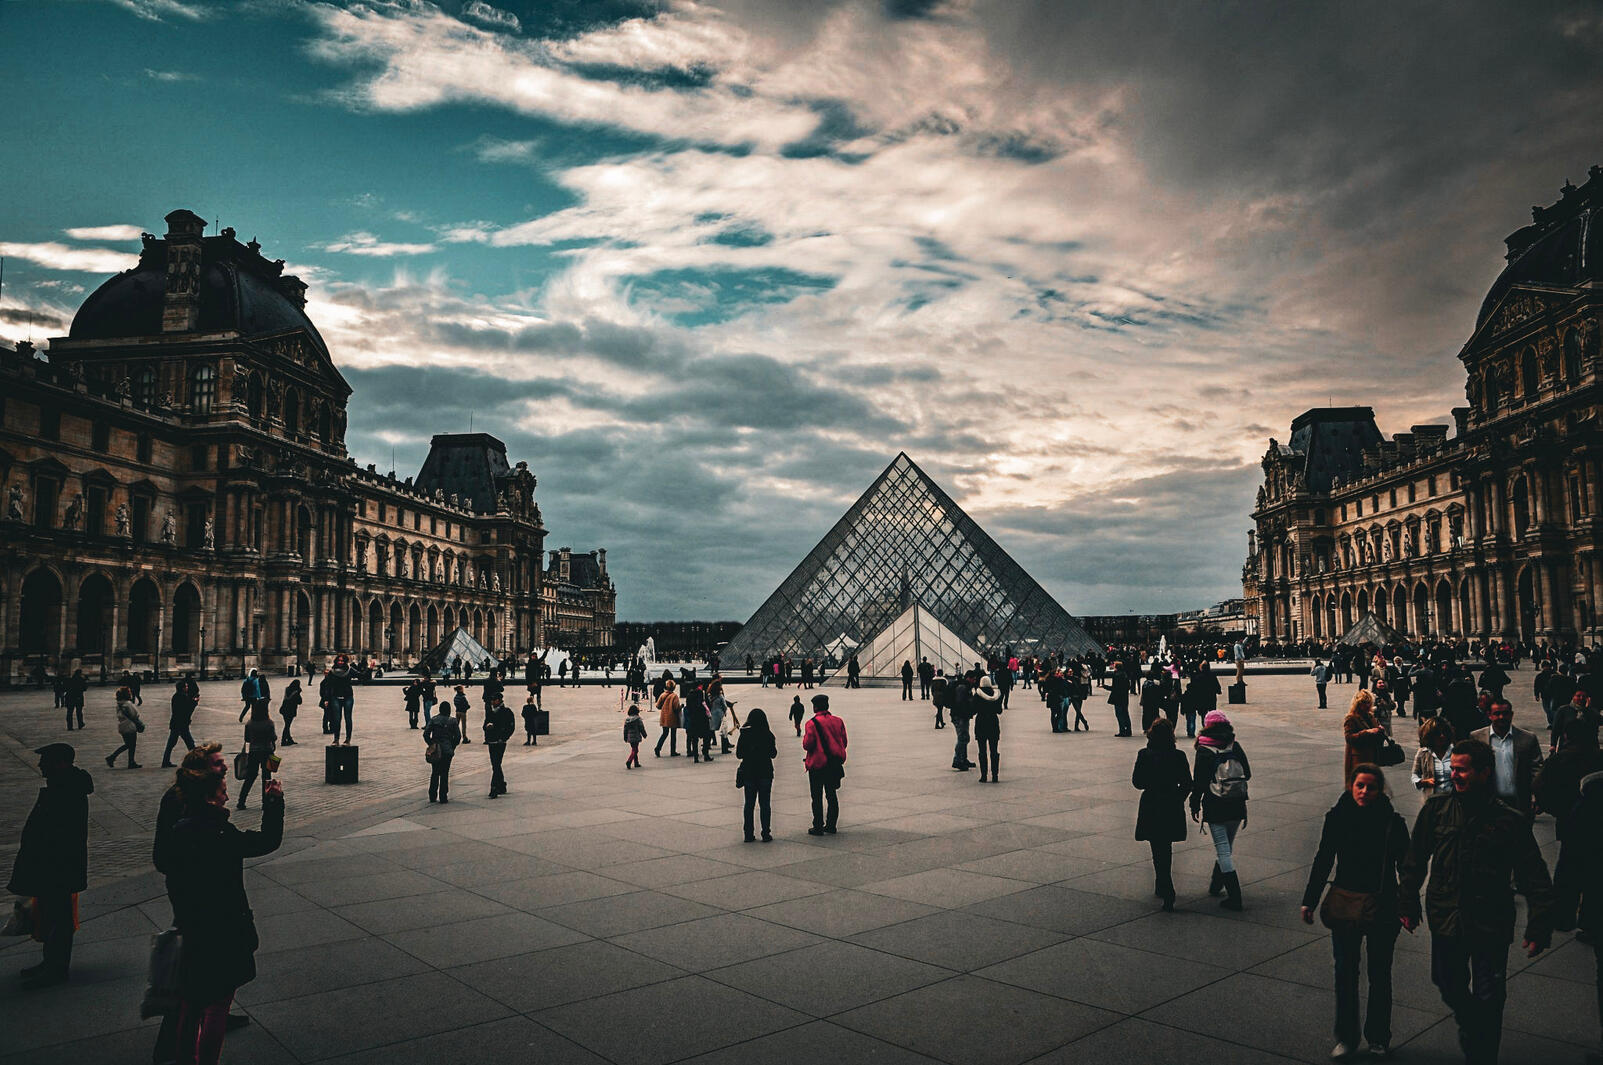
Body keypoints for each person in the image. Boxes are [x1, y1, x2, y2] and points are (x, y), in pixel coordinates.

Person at [1398, 738, 1554, 1065]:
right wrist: (1407, 902)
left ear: (1484, 772)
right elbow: (1414, 860)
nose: (1454, 775)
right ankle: (1472, 1024)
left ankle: (1483, 1056)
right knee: (1446, 981)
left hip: (1489, 920)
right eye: (1453, 769)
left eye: (1462, 770)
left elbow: (1533, 874)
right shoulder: (1437, 810)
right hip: (1447, 915)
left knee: (1490, 994)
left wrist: (1540, 922)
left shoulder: (1509, 819)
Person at [165, 749, 283, 1065]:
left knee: (191, 1003)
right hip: (224, 930)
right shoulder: (219, 833)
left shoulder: (181, 830)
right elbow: (268, 841)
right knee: (217, 1005)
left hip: (193, 927)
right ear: (209, 797)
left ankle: (183, 1058)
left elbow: (172, 879)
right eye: (222, 791)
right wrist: (274, 802)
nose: (227, 796)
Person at [1300, 764, 1411, 1060]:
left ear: (1379, 790)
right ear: (1351, 786)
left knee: (1379, 973)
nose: (1364, 791)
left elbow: (1406, 867)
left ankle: (1378, 1037)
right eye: (1359, 785)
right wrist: (1310, 899)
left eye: (1370, 787)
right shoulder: (1337, 818)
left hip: (1383, 905)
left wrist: (1408, 905)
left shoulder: (1392, 823)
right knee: (1345, 973)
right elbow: (1324, 858)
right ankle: (1347, 1037)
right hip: (1345, 904)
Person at [7, 742, 92, 985]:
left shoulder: (66, 790)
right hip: (54, 865)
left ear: (60, 763)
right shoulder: (62, 786)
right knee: (52, 915)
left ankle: (56, 967)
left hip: (58, 866)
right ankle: (50, 962)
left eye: (45, 761)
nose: (40, 765)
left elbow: (58, 833)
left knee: (59, 918)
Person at [1191, 710, 1250, 911]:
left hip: (1216, 804)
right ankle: (1216, 884)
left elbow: (1199, 782)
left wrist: (1194, 804)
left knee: (1223, 849)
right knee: (1227, 846)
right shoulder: (1234, 745)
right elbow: (1247, 773)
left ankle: (1235, 896)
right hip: (1237, 803)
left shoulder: (1204, 749)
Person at [1133, 719, 1191, 912]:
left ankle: (1165, 886)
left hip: (1151, 803)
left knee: (1157, 846)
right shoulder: (1178, 756)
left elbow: (1137, 782)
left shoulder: (1144, 754)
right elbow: (1187, 783)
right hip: (1171, 803)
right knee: (1165, 845)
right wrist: (1178, 798)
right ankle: (1162, 882)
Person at [1472, 698, 1544, 817]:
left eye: (1505, 713)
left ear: (1511, 715)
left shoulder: (1528, 738)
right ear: (1489, 715)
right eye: (1497, 714)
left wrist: (1537, 795)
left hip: (1519, 803)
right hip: (1488, 802)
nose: (1501, 717)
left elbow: (1536, 769)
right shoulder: (1477, 737)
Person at [802, 694, 847, 836]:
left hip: (817, 764)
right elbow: (844, 742)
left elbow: (807, 744)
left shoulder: (811, 723)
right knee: (831, 795)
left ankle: (818, 826)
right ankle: (831, 825)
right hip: (833, 764)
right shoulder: (838, 721)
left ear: (815, 707)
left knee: (816, 797)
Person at [737, 708, 777, 842]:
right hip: (765, 772)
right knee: (765, 804)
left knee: (749, 804)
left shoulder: (745, 734)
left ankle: (748, 834)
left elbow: (739, 754)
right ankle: (766, 833)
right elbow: (773, 754)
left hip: (749, 772)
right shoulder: (768, 734)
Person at [236, 701, 278, 810]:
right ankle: (266, 802)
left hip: (253, 752)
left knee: (250, 776)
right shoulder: (269, 723)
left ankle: (241, 800)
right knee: (266, 777)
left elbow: (247, 739)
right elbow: (273, 737)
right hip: (267, 751)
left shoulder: (249, 723)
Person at [1342, 690, 1387, 785]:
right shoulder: (1351, 718)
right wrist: (1366, 732)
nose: (1367, 705)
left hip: (1373, 755)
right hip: (1359, 757)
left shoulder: (1370, 716)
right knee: (1359, 782)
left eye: (1369, 702)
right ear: (1358, 704)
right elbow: (1349, 738)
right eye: (1364, 703)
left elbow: (1377, 735)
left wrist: (1380, 731)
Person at [423, 700, 461, 802]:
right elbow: (458, 736)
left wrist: (431, 744)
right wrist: (452, 746)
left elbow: (426, 734)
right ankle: (443, 796)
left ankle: (432, 795)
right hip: (447, 750)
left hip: (436, 750)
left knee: (435, 772)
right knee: (445, 773)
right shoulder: (453, 721)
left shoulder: (434, 719)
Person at [1411, 715, 1455, 795]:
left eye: (1444, 732)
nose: (1442, 736)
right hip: (1432, 798)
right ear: (1430, 736)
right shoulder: (1423, 753)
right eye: (1438, 733)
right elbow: (1415, 775)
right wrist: (1423, 782)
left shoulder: (1455, 751)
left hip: (1453, 798)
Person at [971, 677, 1004, 782]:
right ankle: (995, 775)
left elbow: (973, 710)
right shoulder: (996, 694)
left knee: (982, 751)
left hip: (981, 723)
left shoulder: (977, 695)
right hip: (993, 723)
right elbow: (999, 711)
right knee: (994, 750)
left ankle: (983, 775)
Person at [107, 685, 145, 769]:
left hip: (122, 725)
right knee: (132, 745)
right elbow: (135, 714)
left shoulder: (119, 705)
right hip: (130, 725)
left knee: (128, 744)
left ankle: (114, 757)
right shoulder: (128, 704)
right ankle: (129, 761)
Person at [163, 679, 199, 768]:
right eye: (186, 686)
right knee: (190, 743)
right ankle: (195, 761)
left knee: (171, 744)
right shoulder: (182, 697)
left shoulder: (176, 696)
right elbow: (187, 710)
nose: (187, 688)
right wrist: (194, 702)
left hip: (176, 723)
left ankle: (165, 761)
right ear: (183, 688)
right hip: (181, 724)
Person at [321, 656, 356, 745]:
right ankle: (336, 739)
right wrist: (326, 699)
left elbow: (362, 676)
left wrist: (370, 669)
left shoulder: (350, 670)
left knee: (348, 718)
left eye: (342, 661)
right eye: (339, 660)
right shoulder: (332, 672)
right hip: (335, 696)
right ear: (336, 661)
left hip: (348, 696)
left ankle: (348, 739)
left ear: (345, 662)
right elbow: (328, 686)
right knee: (336, 719)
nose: (340, 662)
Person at [949, 672, 975, 770]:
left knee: (964, 737)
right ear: (968, 678)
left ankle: (963, 759)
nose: (974, 681)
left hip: (962, 715)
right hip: (960, 716)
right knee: (962, 738)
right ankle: (957, 760)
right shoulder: (962, 688)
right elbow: (960, 703)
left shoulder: (965, 686)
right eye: (973, 679)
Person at [654, 679, 681, 757]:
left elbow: (658, 706)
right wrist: (681, 707)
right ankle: (673, 751)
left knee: (664, 733)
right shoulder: (674, 696)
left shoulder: (662, 695)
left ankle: (658, 747)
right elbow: (676, 707)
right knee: (673, 735)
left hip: (664, 716)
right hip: (673, 717)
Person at [1108, 664, 1133, 737]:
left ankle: (1122, 730)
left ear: (1116, 668)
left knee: (1119, 714)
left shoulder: (1116, 675)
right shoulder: (1125, 675)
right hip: (1124, 697)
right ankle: (1128, 730)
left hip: (1117, 697)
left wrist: (1105, 686)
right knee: (1125, 714)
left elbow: (1114, 688)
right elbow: (1128, 686)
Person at [624, 700, 647, 768]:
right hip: (636, 736)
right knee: (635, 750)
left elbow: (625, 730)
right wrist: (644, 734)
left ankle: (636, 763)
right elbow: (641, 727)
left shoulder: (627, 720)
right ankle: (629, 761)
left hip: (630, 736)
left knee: (634, 749)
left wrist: (625, 737)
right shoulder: (638, 719)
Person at [279, 678, 301, 746]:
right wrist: (299, 693)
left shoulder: (287, 689)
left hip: (284, 709)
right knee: (287, 726)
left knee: (287, 724)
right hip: (290, 710)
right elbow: (300, 701)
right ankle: (283, 740)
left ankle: (289, 739)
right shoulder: (296, 692)